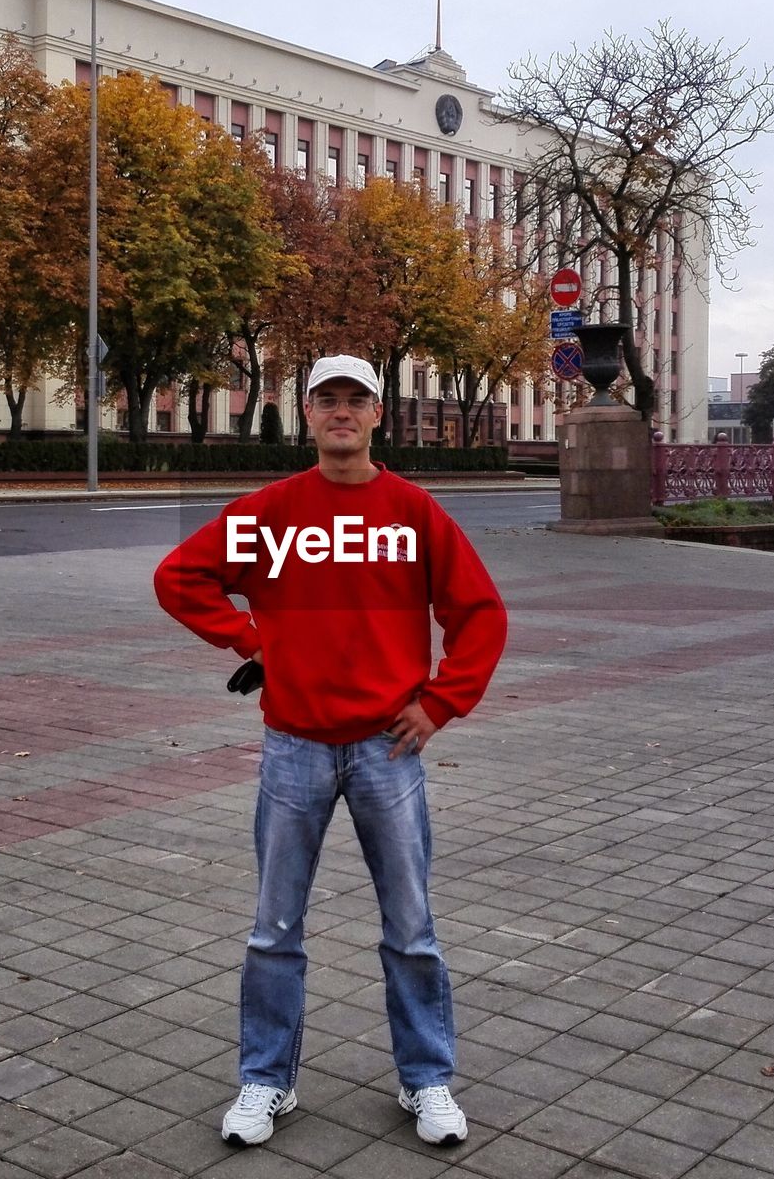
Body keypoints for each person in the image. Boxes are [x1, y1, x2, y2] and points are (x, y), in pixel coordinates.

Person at [154, 355, 507, 1148]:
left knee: (411, 928)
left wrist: (441, 702)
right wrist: (254, 639)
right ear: (307, 414)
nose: (341, 412)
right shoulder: (270, 511)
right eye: (327, 400)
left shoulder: (414, 513)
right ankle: (265, 1082)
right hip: (294, 750)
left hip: (387, 749)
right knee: (274, 929)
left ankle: (428, 1081)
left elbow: (479, 613)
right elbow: (181, 578)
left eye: (356, 400)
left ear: (379, 414)